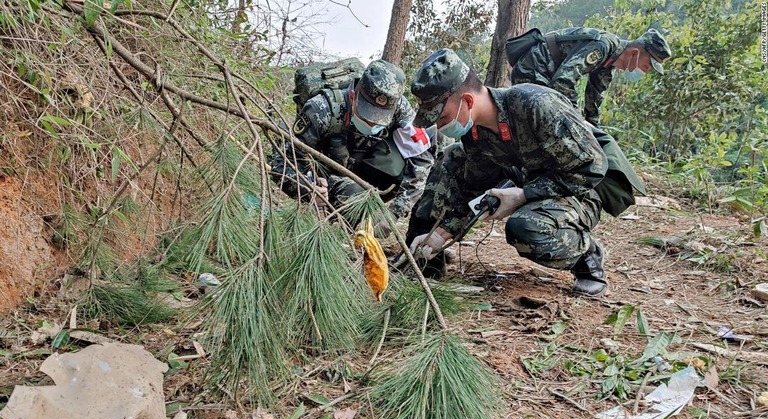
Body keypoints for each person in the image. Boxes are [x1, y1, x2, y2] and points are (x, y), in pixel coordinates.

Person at [405, 48, 644, 297]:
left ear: (467, 101)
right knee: (452, 156)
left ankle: (587, 257)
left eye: (441, 117)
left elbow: (591, 168)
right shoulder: (475, 134)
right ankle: (423, 257)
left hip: (581, 189)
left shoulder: (536, 105)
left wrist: (523, 195)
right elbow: (474, 189)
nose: (440, 126)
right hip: (530, 181)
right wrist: (441, 235)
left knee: (526, 228)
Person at [271, 60, 434, 237]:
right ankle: (334, 234)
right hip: (327, 177)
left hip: (367, 170)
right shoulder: (321, 110)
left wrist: (393, 214)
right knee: (354, 193)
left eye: (380, 120)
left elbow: (422, 161)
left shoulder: (400, 109)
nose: (372, 124)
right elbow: (282, 165)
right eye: (368, 116)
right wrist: (308, 189)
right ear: (352, 97)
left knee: (436, 143)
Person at [506, 27, 672, 125]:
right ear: (635, 53)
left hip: (546, 76)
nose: (645, 71)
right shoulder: (603, 46)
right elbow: (563, 82)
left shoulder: (608, 65)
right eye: (647, 65)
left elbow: (593, 102)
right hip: (533, 69)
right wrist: (576, 121)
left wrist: (594, 132)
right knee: (541, 125)